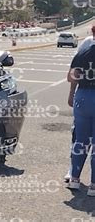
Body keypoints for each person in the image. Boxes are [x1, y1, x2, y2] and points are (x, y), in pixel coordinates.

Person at [65, 25, 95, 182]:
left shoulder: (83, 53)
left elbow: (71, 77)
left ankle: (74, 177)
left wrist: (71, 94)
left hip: (83, 96)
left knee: (80, 140)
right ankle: (93, 185)